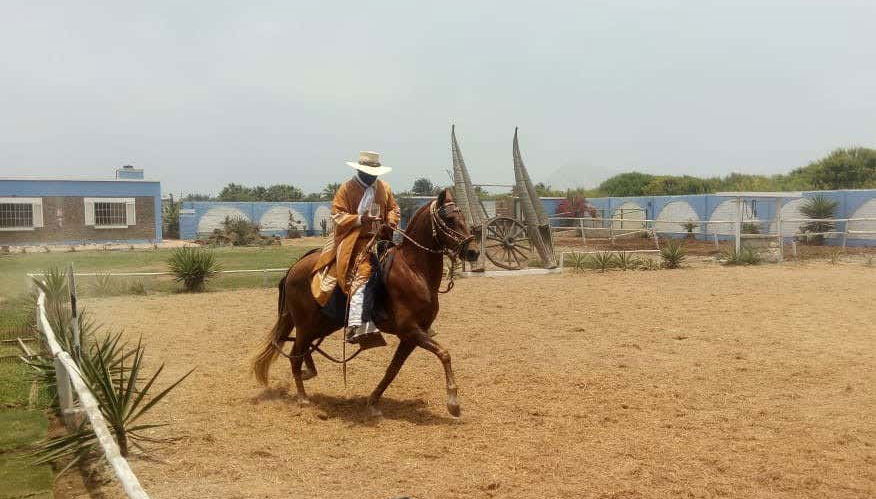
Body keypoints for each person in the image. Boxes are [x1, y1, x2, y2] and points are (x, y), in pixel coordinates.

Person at [311, 151, 400, 349]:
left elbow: (394, 208)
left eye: (375, 172)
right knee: (363, 273)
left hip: (381, 237)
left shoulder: (384, 188)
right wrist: (361, 219)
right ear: (361, 171)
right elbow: (337, 215)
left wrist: (390, 222)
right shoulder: (347, 188)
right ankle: (355, 324)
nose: (374, 176)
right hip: (353, 240)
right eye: (370, 172)